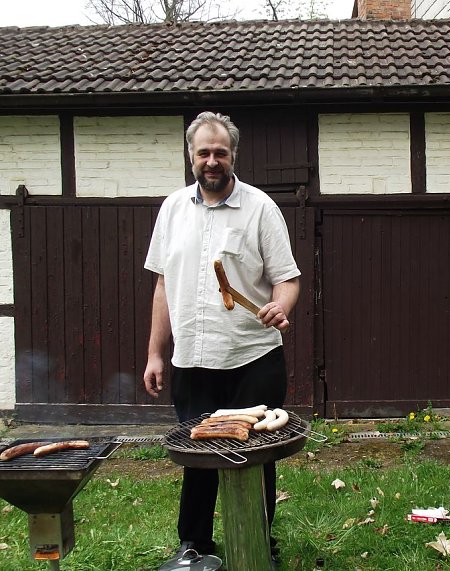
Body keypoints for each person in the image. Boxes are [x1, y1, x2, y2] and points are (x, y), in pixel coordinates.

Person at [143, 111, 300, 570]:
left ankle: (257, 543)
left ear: (233, 156)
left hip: (253, 358)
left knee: (254, 457)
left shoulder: (260, 208)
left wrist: (281, 306)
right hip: (192, 360)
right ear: (191, 156)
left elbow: (287, 278)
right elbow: (162, 285)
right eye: (203, 153)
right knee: (198, 457)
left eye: (220, 152)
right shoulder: (172, 209)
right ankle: (194, 544)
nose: (212, 161)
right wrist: (155, 353)